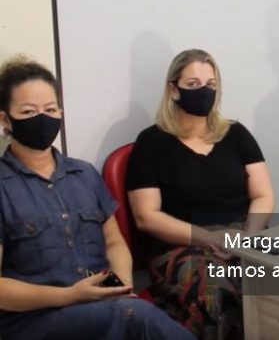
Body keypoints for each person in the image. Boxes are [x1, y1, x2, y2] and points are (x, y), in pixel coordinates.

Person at [0, 56, 194, 340]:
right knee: (137, 317)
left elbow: (114, 242)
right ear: (5, 119)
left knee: (133, 312)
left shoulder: (84, 174)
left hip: (102, 306)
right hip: (35, 318)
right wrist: (69, 295)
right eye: (29, 111)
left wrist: (121, 286)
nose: (43, 117)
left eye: (50, 109)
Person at [125, 48, 274, 340]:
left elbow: (263, 195)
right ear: (173, 89)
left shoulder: (236, 134)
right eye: (193, 84)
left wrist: (247, 237)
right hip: (182, 244)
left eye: (211, 84)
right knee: (218, 296)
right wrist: (211, 238)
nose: (204, 91)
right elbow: (147, 217)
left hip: (243, 234)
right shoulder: (151, 143)